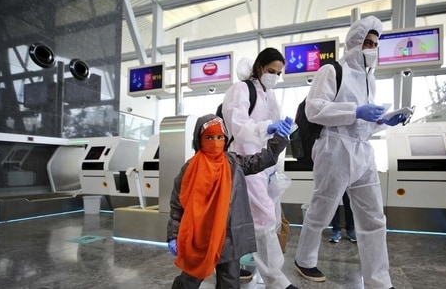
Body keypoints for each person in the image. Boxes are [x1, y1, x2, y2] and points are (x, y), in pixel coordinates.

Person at [293, 15, 405, 289]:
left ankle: (379, 280)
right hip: (334, 148)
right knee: (322, 209)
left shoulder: (370, 78)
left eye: (374, 43)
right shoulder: (332, 71)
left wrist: (382, 120)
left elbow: (362, 124)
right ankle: (304, 259)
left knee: (374, 218)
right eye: (366, 42)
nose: (370, 48)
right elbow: (314, 109)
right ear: (354, 42)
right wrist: (355, 111)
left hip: (363, 151)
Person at [166, 114, 292, 289]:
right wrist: (173, 235)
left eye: (219, 137)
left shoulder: (233, 163)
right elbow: (177, 205)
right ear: (199, 139)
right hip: (200, 236)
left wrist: (278, 139)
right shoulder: (190, 169)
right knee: (189, 280)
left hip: (229, 238)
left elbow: (261, 160)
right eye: (209, 137)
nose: (215, 141)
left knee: (230, 282)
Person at [222, 48, 298, 289]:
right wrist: (268, 127)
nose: (274, 76)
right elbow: (238, 126)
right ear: (259, 67)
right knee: (263, 216)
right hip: (244, 161)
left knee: (261, 217)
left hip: (264, 164)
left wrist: (283, 129)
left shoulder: (269, 95)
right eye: (270, 71)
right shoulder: (241, 89)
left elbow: (271, 131)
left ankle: (237, 266)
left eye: (279, 73)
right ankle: (276, 280)